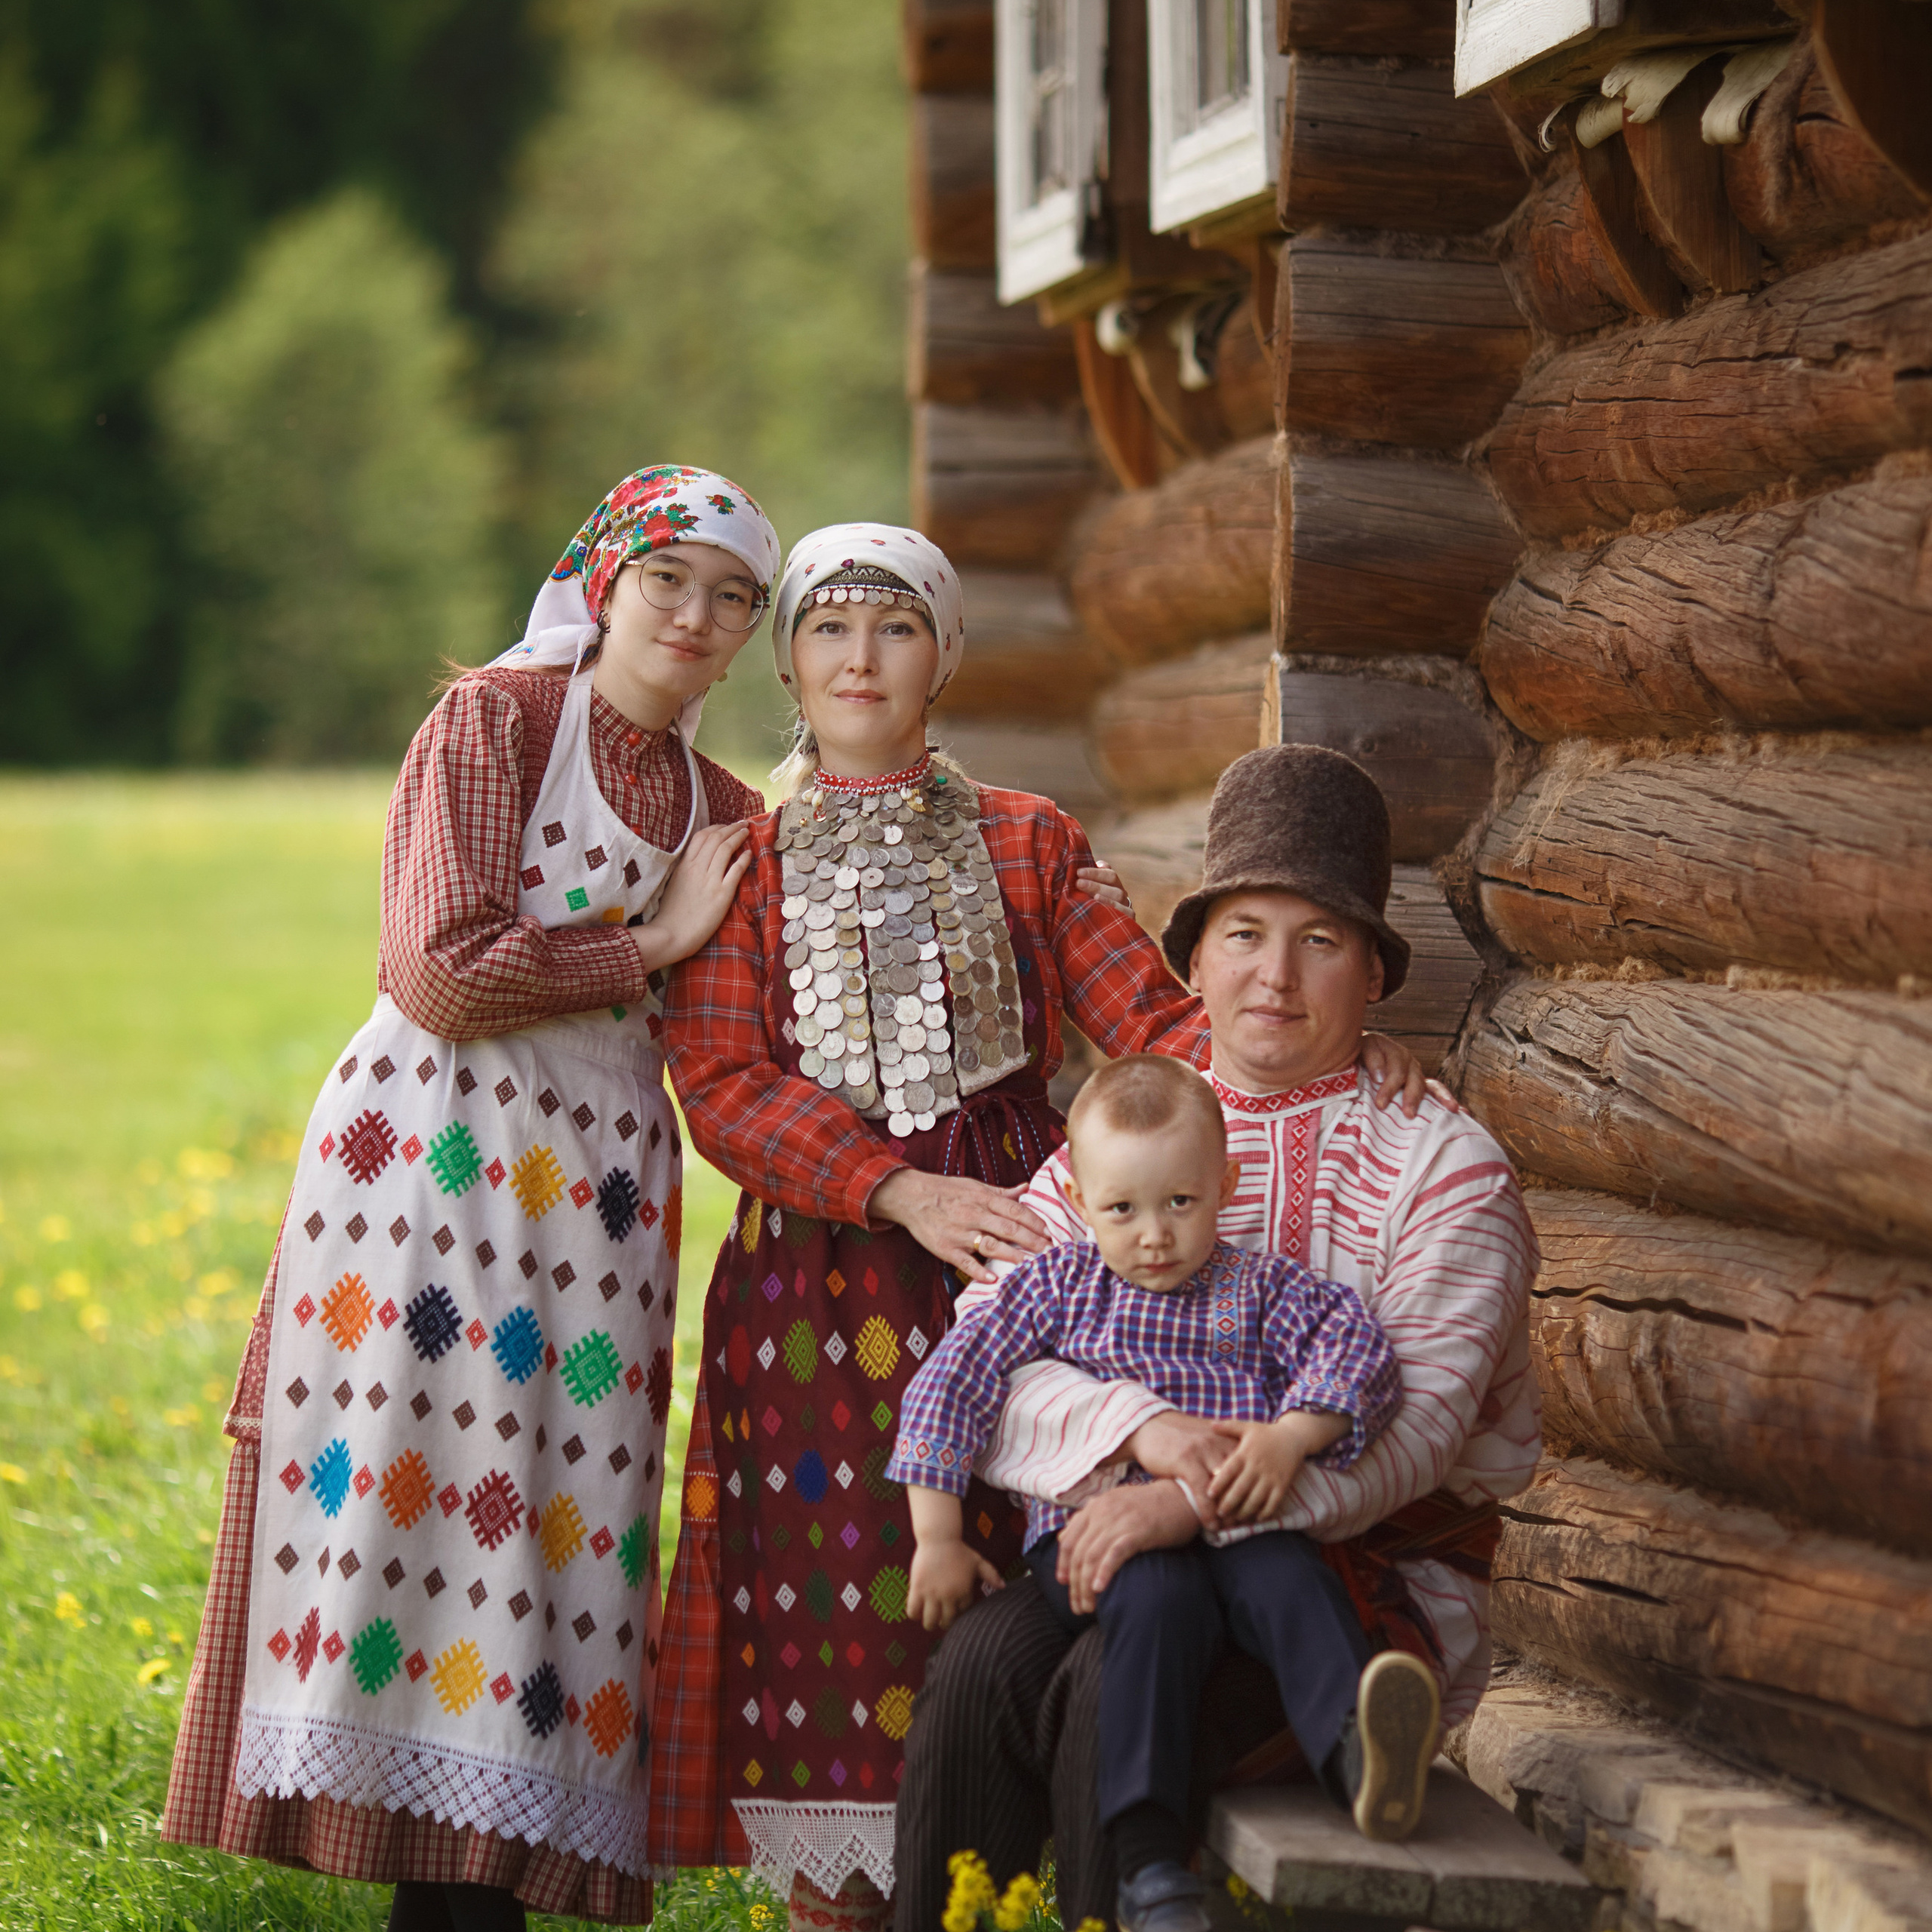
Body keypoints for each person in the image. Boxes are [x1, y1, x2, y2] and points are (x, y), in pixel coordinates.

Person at [648, 528, 1436, 1932]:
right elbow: (716, 1081)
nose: (860, 661)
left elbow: (1156, 1025)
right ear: (786, 660)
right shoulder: (746, 863)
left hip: (1032, 1251)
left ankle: (1006, 1870)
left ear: (945, 656)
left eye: (896, 631)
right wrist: (893, 1189)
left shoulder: (1027, 835)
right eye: (829, 632)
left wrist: (1331, 1047)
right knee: (843, 1582)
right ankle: (846, 1907)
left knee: (1010, 1565)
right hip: (813, 1281)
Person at [160, 464, 783, 1931]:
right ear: (603, 577)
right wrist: (647, 942)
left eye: (733, 596)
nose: (695, 617)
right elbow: (437, 967)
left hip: (605, 1204)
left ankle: (485, 1878)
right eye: (668, 580)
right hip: (431, 1166)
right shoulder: (491, 720)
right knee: (412, 1482)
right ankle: (425, 1888)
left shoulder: (728, 806)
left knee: (554, 1516)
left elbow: (745, 1025)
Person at [893, 744, 1543, 1932]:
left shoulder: (1446, 1173)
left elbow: (1410, 1434)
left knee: (1113, 1670)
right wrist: (1142, 1435)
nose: (1277, 979)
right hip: (1126, 1532)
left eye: (1322, 941)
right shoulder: (1137, 1132)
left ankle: (1138, 1901)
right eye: (1245, 934)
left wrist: (1184, 1508)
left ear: (1375, 977)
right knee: (982, 1663)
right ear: (1193, 960)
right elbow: (990, 1338)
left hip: (1354, 1587)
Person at [894, 1052, 1420, 1927]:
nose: (1154, 1234)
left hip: (1237, 1526)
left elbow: (1357, 1350)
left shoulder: (1261, 1290)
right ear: (1079, 1204)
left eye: (1180, 1201)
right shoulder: (1058, 1287)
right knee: (1157, 1599)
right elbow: (952, 1385)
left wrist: (1293, 1434)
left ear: (1226, 1181)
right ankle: (1147, 1864)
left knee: (1294, 1581)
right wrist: (937, 1538)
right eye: (1122, 1209)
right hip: (1099, 1541)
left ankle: (1360, 1756)